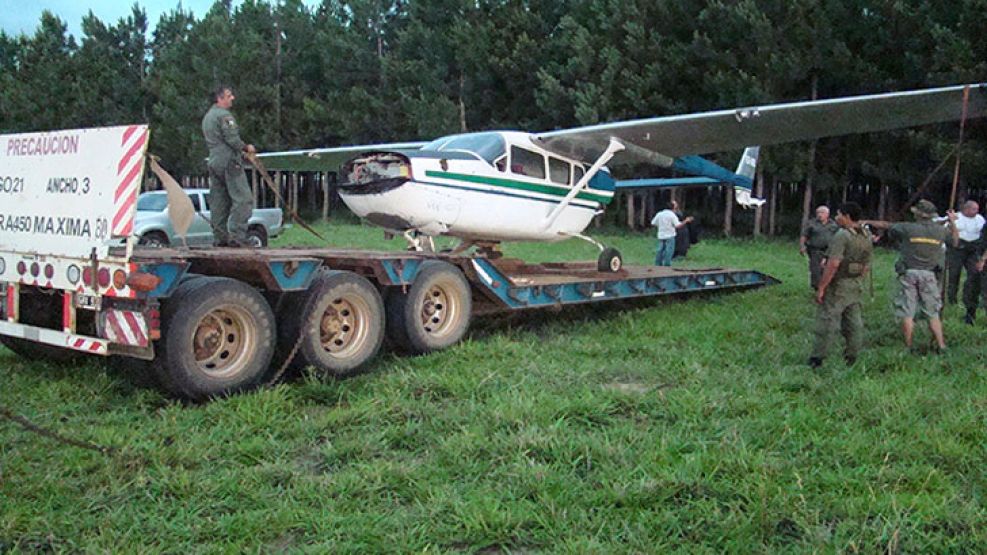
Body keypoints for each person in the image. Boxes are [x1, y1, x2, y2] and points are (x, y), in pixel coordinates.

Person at [863, 200, 958, 352]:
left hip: (908, 273)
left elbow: (886, 225)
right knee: (933, 312)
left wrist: (866, 221)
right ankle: (941, 345)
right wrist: (952, 222)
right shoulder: (940, 231)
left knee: (907, 311)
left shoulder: (908, 228)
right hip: (929, 275)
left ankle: (908, 346)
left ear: (918, 215)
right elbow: (955, 241)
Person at [808, 202, 873, 368]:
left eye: (839, 215)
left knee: (827, 320)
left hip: (839, 285)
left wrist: (822, 287)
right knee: (854, 322)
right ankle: (852, 355)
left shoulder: (842, 235)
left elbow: (833, 264)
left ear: (847, 217)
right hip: (856, 283)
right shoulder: (866, 235)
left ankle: (818, 357)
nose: (836, 218)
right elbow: (866, 266)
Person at [202, 84, 256, 247]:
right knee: (243, 199)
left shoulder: (208, 117)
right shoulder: (225, 116)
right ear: (220, 98)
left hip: (213, 160)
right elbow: (232, 139)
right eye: (229, 95)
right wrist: (247, 148)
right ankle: (237, 236)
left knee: (219, 200)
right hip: (229, 161)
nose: (232, 98)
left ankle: (220, 237)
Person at [944, 200, 984, 323]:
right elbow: (947, 230)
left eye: (977, 209)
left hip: (973, 248)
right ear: (966, 209)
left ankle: (971, 298)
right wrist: (951, 221)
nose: (976, 212)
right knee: (954, 273)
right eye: (974, 209)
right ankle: (952, 299)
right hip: (958, 247)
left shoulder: (980, 219)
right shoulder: (956, 217)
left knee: (975, 273)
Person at [800, 205, 840, 290]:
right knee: (815, 270)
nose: (819, 214)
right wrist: (802, 246)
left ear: (827, 214)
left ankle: (827, 288)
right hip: (815, 251)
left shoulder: (834, 225)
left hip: (829, 251)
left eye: (822, 212)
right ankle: (817, 288)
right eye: (818, 212)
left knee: (827, 270)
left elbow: (839, 237)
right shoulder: (811, 224)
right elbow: (804, 235)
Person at [651, 200, 693, 266]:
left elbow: (653, 223)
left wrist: (661, 225)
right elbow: (678, 225)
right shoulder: (672, 215)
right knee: (669, 250)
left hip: (661, 235)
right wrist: (686, 221)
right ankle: (667, 264)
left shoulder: (659, 214)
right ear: (673, 208)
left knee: (660, 250)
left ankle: (658, 264)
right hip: (670, 236)